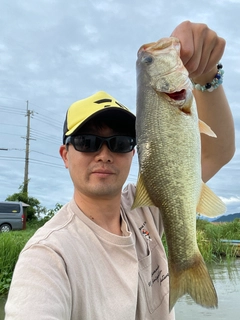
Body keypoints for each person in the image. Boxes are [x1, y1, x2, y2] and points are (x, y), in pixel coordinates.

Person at [4, 21, 235, 320]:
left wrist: (207, 79)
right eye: (87, 142)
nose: (104, 154)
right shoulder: (48, 256)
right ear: (65, 155)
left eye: (120, 142)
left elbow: (219, 152)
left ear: (133, 151)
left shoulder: (147, 207)